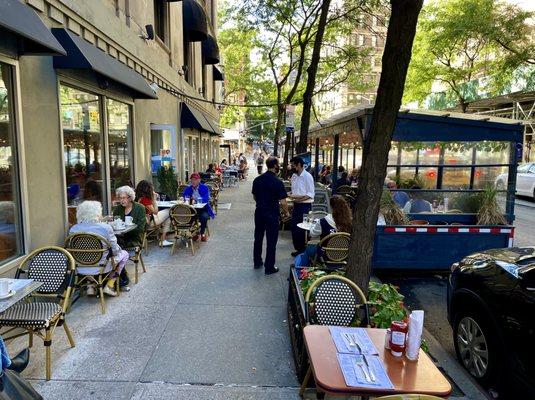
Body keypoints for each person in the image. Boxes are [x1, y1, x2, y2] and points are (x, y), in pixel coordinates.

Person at [70, 201, 129, 296]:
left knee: (88, 256)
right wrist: (119, 249)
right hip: (102, 267)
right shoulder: (105, 228)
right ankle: (109, 285)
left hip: (80, 267)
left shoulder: (74, 229)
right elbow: (114, 251)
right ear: (97, 213)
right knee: (124, 254)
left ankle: (91, 286)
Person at [252, 156, 290, 275]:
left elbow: (254, 197)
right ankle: (269, 267)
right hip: (272, 214)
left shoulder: (257, 180)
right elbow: (283, 202)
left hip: (259, 212)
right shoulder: (278, 182)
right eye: (278, 164)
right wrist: (287, 213)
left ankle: (257, 262)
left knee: (258, 238)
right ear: (275, 166)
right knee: (271, 241)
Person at [294, 195, 352, 267]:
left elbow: (312, 234)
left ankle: (301, 271)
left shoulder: (324, 221)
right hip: (345, 254)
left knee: (308, 249)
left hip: (325, 254)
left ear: (331, 207)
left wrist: (313, 226)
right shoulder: (351, 222)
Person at [289, 156, 315, 256]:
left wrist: (299, 199)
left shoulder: (308, 176)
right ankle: (299, 249)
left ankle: (304, 250)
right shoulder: (294, 176)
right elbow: (294, 191)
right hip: (296, 205)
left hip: (305, 206)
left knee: (304, 229)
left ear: (299, 165)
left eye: (292, 165)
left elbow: (310, 194)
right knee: (295, 228)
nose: (291, 167)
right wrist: (290, 195)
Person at [135, 180, 173, 247]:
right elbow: (155, 212)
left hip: (142, 221)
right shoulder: (144, 200)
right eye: (151, 188)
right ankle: (163, 240)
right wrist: (154, 199)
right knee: (170, 211)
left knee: (168, 217)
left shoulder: (137, 198)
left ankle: (162, 237)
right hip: (148, 222)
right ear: (147, 189)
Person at [182, 173, 214, 241]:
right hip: (191, 209)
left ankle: (202, 233)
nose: (193, 181)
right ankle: (195, 232)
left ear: (199, 180)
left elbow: (206, 199)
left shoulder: (204, 188)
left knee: (204, 217)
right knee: (188, 217)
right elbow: (185, 196)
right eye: (192, 180)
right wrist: (187, 199)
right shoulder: (188, 188)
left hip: (203, 209)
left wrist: (195, 200)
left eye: (195, 180)